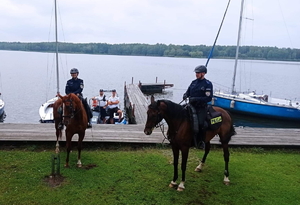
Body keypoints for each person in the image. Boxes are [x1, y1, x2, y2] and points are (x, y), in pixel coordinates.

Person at [183, 65, 213, 148]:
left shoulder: (207, 84)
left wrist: (196, 99)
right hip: (191, 106)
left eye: (198, 73)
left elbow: (208, 98)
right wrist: (185, 95)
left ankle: (201, 141)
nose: (196, 74)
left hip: (201, 107)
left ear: (203, 73)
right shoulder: (193, 82)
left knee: (200, 124)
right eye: (196, 73)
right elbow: (188, 92)